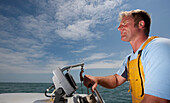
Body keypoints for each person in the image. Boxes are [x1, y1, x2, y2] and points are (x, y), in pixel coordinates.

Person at [83, 9, 170, 103]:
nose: (119, 28)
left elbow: (157, 100)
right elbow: (116, 80)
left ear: (141, 24)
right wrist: (97, 79)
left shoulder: (160, 47)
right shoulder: (129, 59)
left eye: (124, 23)